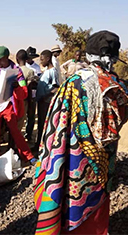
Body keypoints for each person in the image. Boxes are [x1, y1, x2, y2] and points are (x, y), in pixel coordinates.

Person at [34, 30, 128, 234]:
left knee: (69, 196)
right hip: (102, 164)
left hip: (71, 159)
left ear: (89, 55)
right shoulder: (117, 86)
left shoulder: (72, 82)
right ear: (111, 58)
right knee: (97, 205)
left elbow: (55, 125)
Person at [0, 46, 36, 164]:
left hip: (9, 107)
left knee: (15, 132)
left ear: (5, 58)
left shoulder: (17, 72)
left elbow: (23, 92)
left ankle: (28, 156)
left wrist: (17, 87)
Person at [33, 50, 59, 152]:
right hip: (41, 101)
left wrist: (45, 96)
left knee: (44, 124)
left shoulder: (53, 71)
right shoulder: (47, 71)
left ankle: (43, 147)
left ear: (48, 59)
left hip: (46, 102)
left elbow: (56, 87)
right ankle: (38, 144)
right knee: (40, 124)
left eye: (42, 59)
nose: (41, 61)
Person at [16, 49, 39, 140]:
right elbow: (29, 88)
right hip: (28, 98)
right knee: (30, 117)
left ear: (17, 59)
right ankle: (28, 136)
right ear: (26, 59)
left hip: (16, 99)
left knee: (18, 120)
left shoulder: (14, 70)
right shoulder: (30, 71)